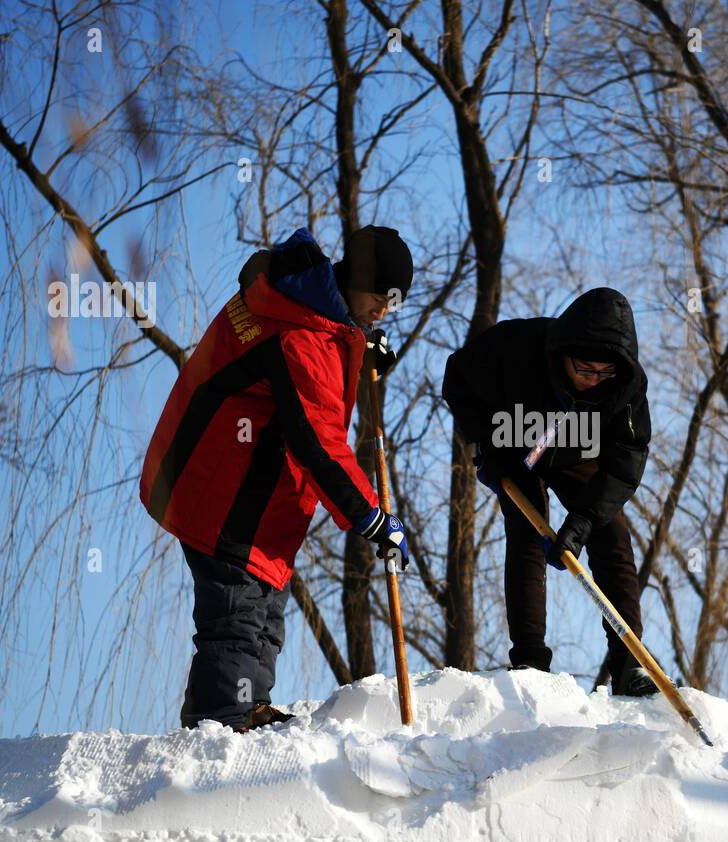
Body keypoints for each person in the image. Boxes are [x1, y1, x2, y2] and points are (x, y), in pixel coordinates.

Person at [140, 225, 412, 732]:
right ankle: (223, 723)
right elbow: (318, 440)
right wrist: (371, 517)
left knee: (264, 612)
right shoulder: (299, 333)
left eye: (392, 305)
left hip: (247, 493)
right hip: (221, 489)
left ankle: (243, 712)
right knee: (238, 616)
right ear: (354, 281)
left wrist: (360, 346)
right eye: (380, 299)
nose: (384, 312)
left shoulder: (305, 305)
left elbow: (321, 365)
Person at [442, 288, 657, 696]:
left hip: (577, 448)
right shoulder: (515, 346)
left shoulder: (627, 385)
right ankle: (530, 661)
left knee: (611, 534)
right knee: (526, 528)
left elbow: (627, 459)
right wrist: (487, 442)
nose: (593, 381)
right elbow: (457, 379)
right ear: (564, 353)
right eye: (584, 370)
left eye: (603, 374)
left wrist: (584, 519)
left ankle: (629, 663)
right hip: (517, 440)